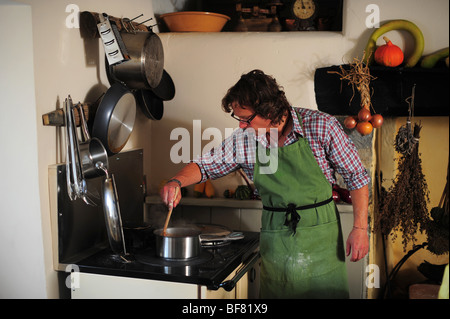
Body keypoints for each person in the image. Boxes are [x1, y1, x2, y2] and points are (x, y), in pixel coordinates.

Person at [161, 69, 370, 298]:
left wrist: (360, 228)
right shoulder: (248, 139)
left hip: (321, 237)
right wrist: (176, 181)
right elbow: (206, 165)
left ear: (268, 110)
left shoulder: (320, 126)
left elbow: (356, 177)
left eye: (246, 119)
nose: (241, 126)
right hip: (276, 238)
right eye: (238, 119)